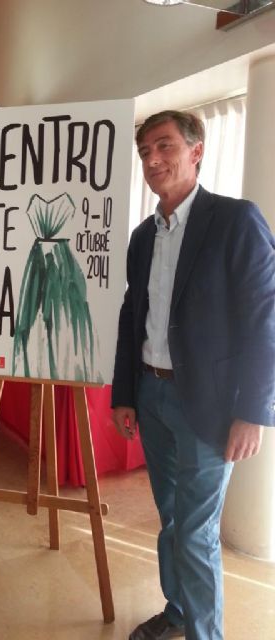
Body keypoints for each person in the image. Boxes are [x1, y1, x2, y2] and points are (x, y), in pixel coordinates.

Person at [111, 110, 275, 640]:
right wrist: (125, 393)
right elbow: (133, 315)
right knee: (172, 519)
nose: (153, 159)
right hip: (151, 395)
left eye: (165, 146)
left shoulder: (235, 220)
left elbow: (264, 320)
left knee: (197, 532)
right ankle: (178, 610)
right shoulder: (143, 236)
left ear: (196, 151)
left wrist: (253, 412)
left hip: (209, 404)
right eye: (145, 152)